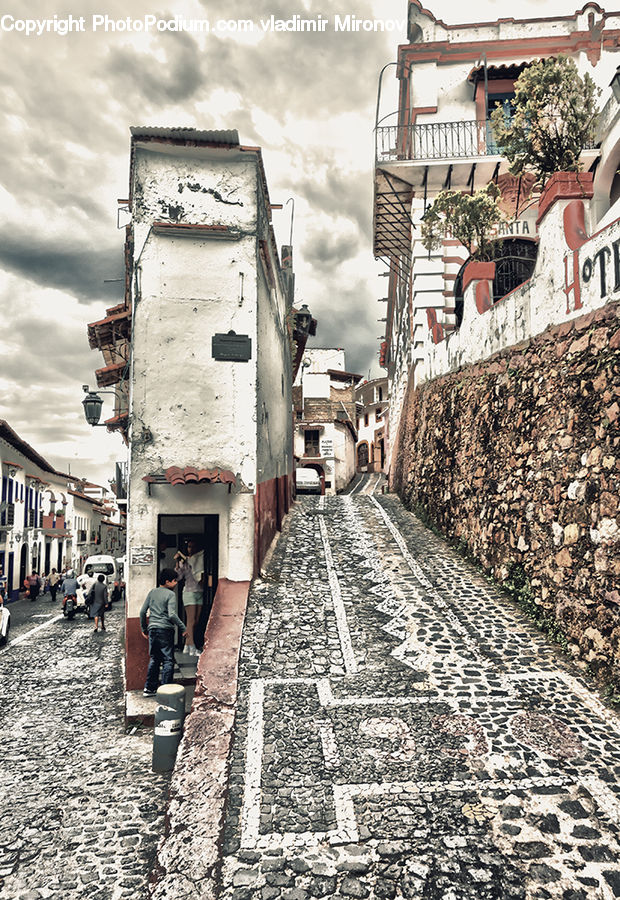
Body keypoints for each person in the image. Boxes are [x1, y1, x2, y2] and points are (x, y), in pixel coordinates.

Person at [140, 568, 188, 697]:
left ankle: (149, 689)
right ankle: (165, 692)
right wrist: (183, 627)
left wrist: (144, 628)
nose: (176, 583)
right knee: (168, 660)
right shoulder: (170, 594)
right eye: (174, 581)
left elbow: (142, 612)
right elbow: (172, 614)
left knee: (155, 659)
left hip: (153, 629)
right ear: (167, 582)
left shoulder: (152, 592)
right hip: (165, 630)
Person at [174, 538, 204, 656]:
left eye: (193, 546)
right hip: (189, 592)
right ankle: (192, 647)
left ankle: (187, 645)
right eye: (189, 547)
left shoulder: (200, 560)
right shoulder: (184, 562)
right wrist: (178, 564)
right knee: (190, 621)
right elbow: (178, 577)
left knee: (195, 621)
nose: (191, 549)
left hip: (199, 592)